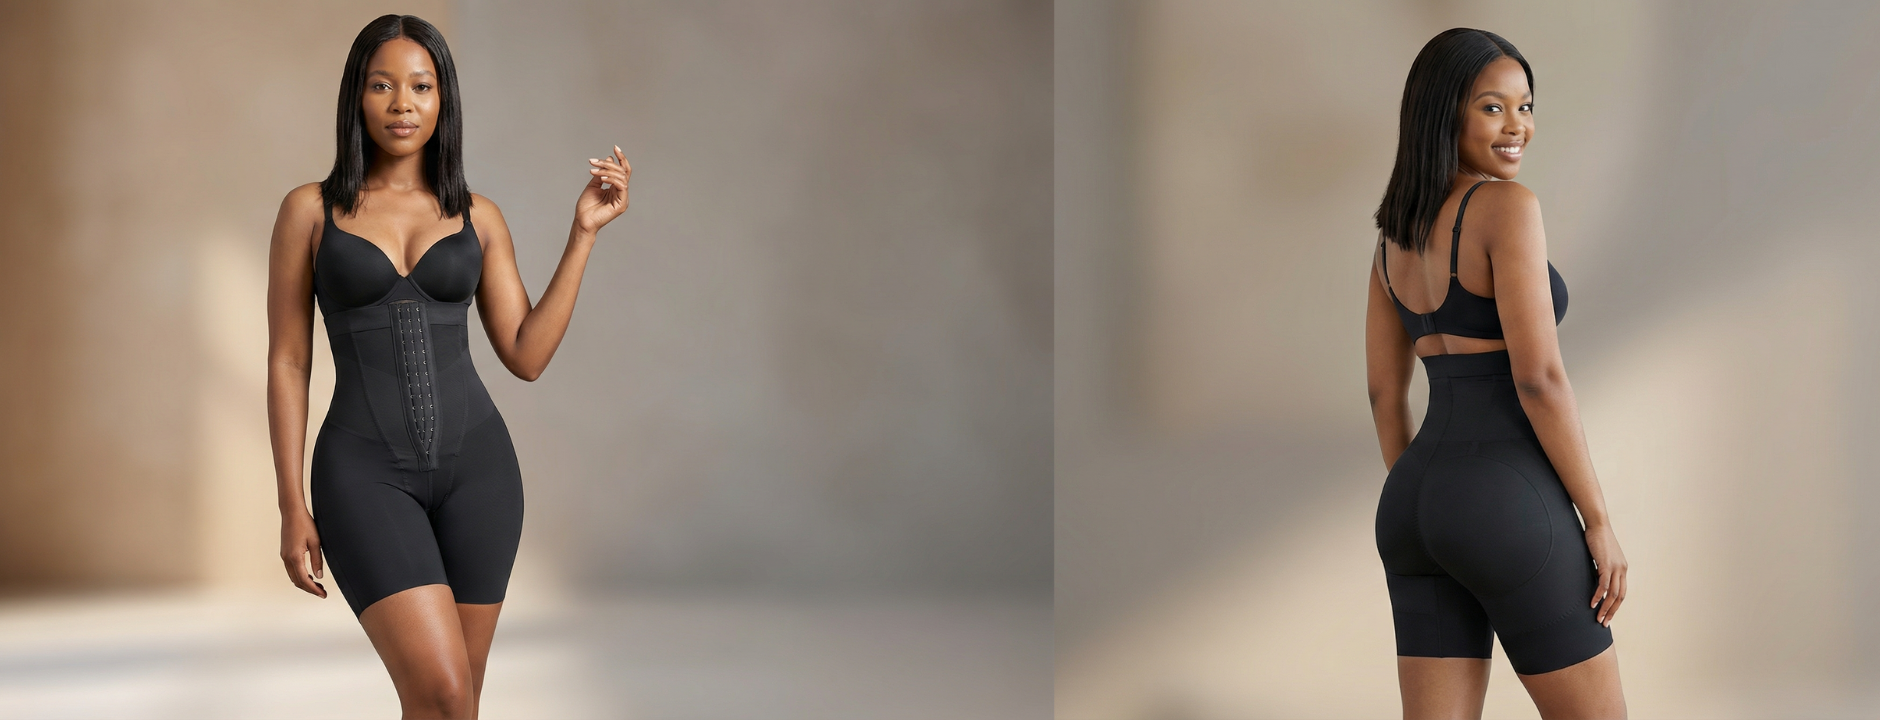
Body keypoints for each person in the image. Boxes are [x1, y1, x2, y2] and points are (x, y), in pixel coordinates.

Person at [264, 14, 629, 718]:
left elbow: (525, 354)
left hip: (481, 477)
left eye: (421, 86)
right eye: (383, 85)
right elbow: (287, 360)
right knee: (442, 690)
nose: (403, 103)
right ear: (356, 98)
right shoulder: (309, 211)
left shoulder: (478, 217)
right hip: (362, 475)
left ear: (443, 100)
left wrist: (583, 234)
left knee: (456, 707)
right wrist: (289, 503)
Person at [1365, 28, 1627, 719]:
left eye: (1525, 105)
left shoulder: (1394, 233)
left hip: (1414, 505)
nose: (1519, 127)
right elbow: (1539, 377)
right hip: (1505, 497)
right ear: (1444, 112)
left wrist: (1435, 500)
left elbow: (1385, 395)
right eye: (1492, 107)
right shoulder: (1507, 209)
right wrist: (1597, 521)